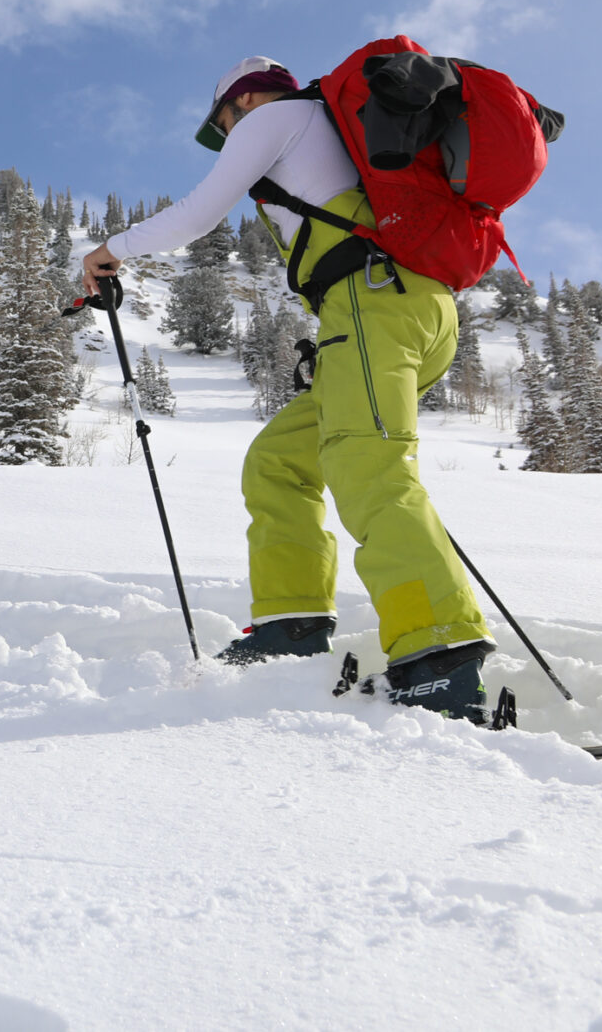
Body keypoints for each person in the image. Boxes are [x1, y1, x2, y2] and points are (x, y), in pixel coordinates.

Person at [81, 56, 496, 721]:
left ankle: (439, 653)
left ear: (238, 103)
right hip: (405, 308)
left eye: (222, 122)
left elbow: (198, 214)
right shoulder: (336, 126)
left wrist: (111, 250)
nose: (226, 133)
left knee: (368, 465)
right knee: (279, 460)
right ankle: (291, 623)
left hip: (375, 304)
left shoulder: (273, 116)